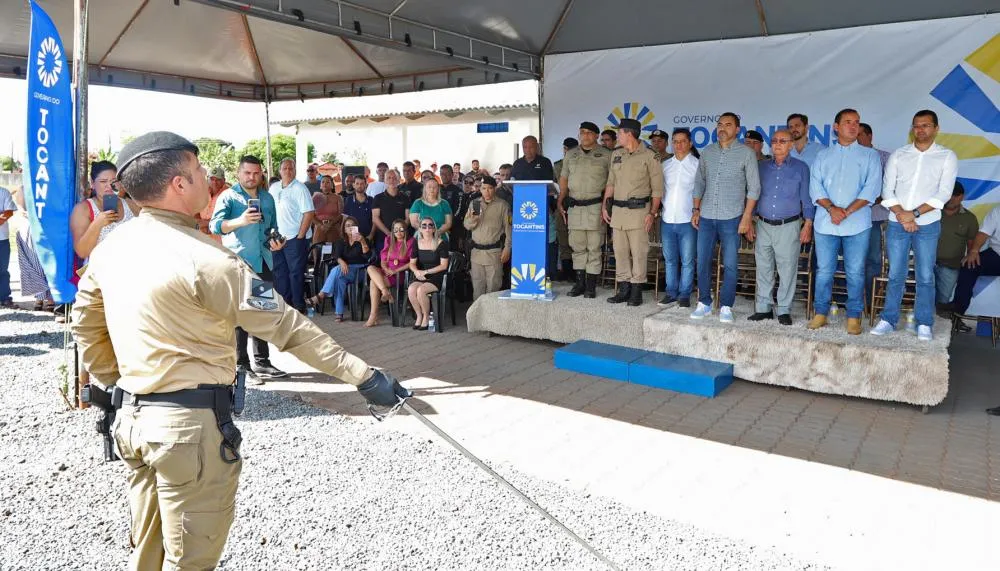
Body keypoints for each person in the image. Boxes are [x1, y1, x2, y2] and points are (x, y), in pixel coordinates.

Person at [72, 132, 409, 571]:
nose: (207, 182)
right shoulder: (209, 261)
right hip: (189, 433)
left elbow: (85, 324)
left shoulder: (111, 247)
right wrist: (365, 377)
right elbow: (290, 328)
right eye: (198, 173)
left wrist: (118, 380)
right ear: (178, 184)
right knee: (190, 561)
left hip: (134, 422)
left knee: (147, 555)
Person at [870, 111, 957, 340]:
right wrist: (902, 215)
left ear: (936, 128)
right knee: (896, 273)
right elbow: (887, 190)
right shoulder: (899, 154)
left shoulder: (946, 156)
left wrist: (914, 214)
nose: (921, 130)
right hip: (897, 223)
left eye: (926, 125)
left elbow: (944, 194)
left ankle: (924, 322)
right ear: (912, 129)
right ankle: (888, 319)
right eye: (917, 126)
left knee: (925, 275)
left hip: (927, 224)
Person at [211, 155, 288, 381]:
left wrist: (276, 242)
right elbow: (216, 225)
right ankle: (241, 365)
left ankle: (262, 362)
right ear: (238, 173)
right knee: (240, 314)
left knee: (262, 311)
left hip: (264, 261)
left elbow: (272, 227)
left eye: (256, 173)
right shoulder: (229, 196)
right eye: (247, 173)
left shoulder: (267, 197)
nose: (252, 177)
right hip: (239, 263)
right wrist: (240, 221)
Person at [807, 109, 883, 334]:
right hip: (826, 222)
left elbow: (872, 189)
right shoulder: (823, 155)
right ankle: (820, 313)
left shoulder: (870, 156)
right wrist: (832, 209)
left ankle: (853, 316)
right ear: (836, 127)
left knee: (855, 271)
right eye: (848, 122)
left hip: (857, 223)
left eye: (857, 123)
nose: (853, 126)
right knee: (824, 271)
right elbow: (815, 187)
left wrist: (846, 211)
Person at [690, 112, 761, 322]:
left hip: (732, 217)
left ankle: (726, 306)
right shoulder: (707, 152)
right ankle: (704, 302)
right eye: (720, 124)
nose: (722, 128)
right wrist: (696, 209)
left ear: (737, 129)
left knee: (730, 263)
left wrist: (747, 217)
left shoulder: (746, 153)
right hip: (707, 215)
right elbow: (699, 183)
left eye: (728, 125)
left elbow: (754, 188)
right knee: (702, 260)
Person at [748, 129, 812, 325]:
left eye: (783, 141)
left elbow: (806, 199)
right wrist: (749, 220)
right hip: (763, 224)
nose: (777, 144)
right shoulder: (761, 167)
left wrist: (808, 224)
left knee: (787, 269)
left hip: (789, 225)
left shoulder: (801, 168)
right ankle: (763, 308)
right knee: (764, 268)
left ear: (791, 144)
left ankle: (784, 309)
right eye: (774, 140)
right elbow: (753, 195)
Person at [601, 118, 664, 306]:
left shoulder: (650, 156)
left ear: (629, 134)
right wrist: (605, 206)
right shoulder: (616, 154)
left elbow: (657, 189)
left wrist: (652, 213)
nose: (617, 136)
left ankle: (636, 290)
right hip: (618, 212)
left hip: (639, 211)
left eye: (619, 133)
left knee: (638, 252)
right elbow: (611, 183)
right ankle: (624, 289)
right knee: (619, 252)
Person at [558, 121, 612, 298]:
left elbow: (612, 182)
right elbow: (564, 179)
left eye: (589, 133)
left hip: (596, 206)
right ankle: (579, 283)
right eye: (582, 132)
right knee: (577, 247)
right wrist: (560, 200)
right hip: (574, 207)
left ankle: (591, 286)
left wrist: (607, 205)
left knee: (594, 247)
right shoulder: (571, 154)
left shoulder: (606, 155)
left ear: (596, 135)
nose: (585, 136)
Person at [656, 128, 699, 308]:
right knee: (670, 259)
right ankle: (671, 292)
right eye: (675, 141)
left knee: (688, 260)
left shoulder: (698, 165)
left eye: (682, 141)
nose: (679, 145)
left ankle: (684, 294)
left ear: (689, 143)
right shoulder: (665, 165)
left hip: (688, 220)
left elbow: (702, 192)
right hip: (667, 219)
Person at [268, 159, 315, 314]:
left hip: (295, 238)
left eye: (291, 168)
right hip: (277, 238)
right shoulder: (273, 188)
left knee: (295, 273)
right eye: (285, 168)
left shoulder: (300, 188)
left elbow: (308, 213)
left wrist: (300, 236)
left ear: (295, 170)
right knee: (280, 272)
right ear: (279, 171)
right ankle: (284, 305)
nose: (288, 171)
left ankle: (298, 306)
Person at [70, 161, 140, 262]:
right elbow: (82, 252)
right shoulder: (82, 209)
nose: (109, 186)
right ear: (93, 183)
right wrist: (98, 224)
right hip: (99, 273)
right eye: (103, 181)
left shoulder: (131, 204)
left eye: (113, 181)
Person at [309, 216, 373, 322]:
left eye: (353, 225)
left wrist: (362, 242)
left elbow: (368, 257)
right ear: (344, 228)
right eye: (348, 226)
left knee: (336, 270)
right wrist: (342, 262)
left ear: (357, 227)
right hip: (344, 271)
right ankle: (339, 313)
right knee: (339, 279)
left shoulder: (363, 239)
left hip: (360, 271)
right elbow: (336, 255)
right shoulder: (340, 242)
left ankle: (321, 295)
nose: (350, 227)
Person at [859, 122, 893, 301]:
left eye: (860, 135)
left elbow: (890, 189)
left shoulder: (886, 158)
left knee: (873, 260)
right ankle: (852, 299)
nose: (856, 140)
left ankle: (872, 300)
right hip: (853, 218)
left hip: (876, 217)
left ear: (870, 136)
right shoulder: (849, 158)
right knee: (852, 261)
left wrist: (867, 200)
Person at [464, 176, 512, 299]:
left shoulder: (503, 205)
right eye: (484, 188)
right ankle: (477, 318)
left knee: (493, 289)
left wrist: (507, 248)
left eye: (490, 188)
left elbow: (509, 229)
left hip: (494, 253)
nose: (487, 191)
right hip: (476, 254)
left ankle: (491, 318)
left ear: (494, 188)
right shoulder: (474, 203)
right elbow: (467, 226)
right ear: (480, 189)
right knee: (477, 290)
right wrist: (473, 220)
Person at [935, 182, 978, 315]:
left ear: (962, 197)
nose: (952, 198)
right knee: (919, 296)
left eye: (956, 195)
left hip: (951, 266)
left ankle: (936, 332)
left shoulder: (970, 218)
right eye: (949, 195)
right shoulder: (932, 212)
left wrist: (971, 254)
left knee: (942, 303)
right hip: (925, 263)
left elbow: (972, 245)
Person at [407, 216, 450, 329]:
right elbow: (412, 263)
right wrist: (416, 272)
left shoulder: (441, 243)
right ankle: (419, 316)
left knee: (421, 290)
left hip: (437, 276)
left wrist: (425, 272)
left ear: (434, 229)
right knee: (411, 289)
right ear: (420, 229)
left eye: (430, 225)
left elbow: (443, 265)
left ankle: (426, 317)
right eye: (424, 226)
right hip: (421, 274)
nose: (427, 228)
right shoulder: (417, 243)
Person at [370, 219, 414, 326]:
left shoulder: (411, 241)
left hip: (400, 273)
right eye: (396, 230)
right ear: (393, 231)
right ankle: (385, 292)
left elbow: (411, 263)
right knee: (370, 268)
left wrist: (396, 270)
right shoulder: (389, 239)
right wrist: (385, 268)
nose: (398, 232)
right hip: (387, 271)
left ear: (405, 230)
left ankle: (373, 315)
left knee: (373, 282)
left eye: (401, 229)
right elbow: (383, 259)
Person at [372, 169, 411, 250]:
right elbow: (375, 218)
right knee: (383, 261)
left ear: (398, 180)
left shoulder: (405, 198)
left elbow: (408, 218)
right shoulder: (378, 198)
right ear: (385, 180)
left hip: (401, 238)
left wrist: (399, 232)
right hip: (382, 238)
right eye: (389, 178)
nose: (391, 180)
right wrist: (389, 233)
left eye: (394, 178)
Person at [312, 175, 344, 245]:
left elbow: (340, 214)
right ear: (320, 185)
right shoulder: (315, 197)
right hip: (319, 228)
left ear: (332, 185)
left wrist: (330, 224)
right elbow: (311, 215)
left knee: (334, 251)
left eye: (327, 182)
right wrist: (320, 225)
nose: (325, 184)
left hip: (334, 227)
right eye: (323, 182)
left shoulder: (338, 198)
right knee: (318, 251)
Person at [343, 176, 376, 242]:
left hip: (368, 237)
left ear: (366, 185)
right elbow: (345, 219)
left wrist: (371, 235)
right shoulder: (348, 200)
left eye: (362, 183)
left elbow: (375, 220)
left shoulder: (371, 200)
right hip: (352, 238)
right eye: (357, 183)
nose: (359, 186)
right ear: (353, 185)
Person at [0, 186, 15, 308]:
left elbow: (9, 211)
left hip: (2, 239)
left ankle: (5, 297)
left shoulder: (3, 192)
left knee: (2, 270)